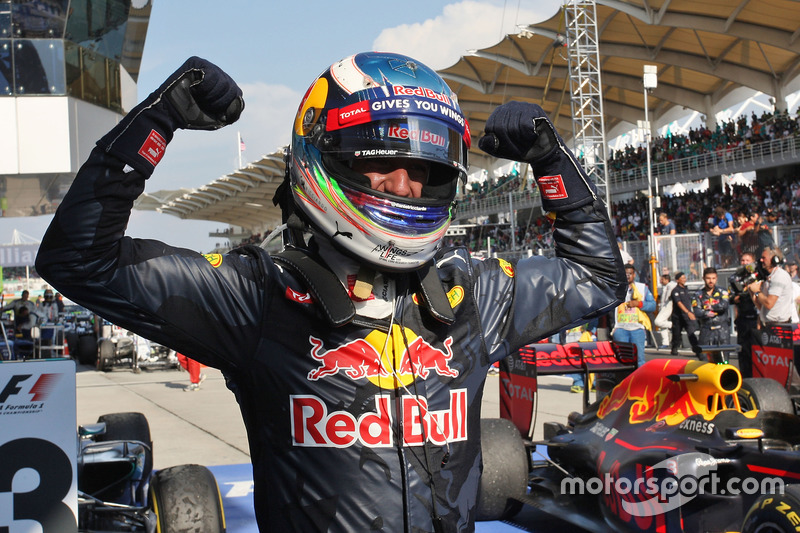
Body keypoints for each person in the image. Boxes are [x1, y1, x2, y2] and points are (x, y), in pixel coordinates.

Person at [35, 54, 625, 532]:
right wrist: (155, 121)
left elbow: (598, 279)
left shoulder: (473, 292)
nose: (405, 184)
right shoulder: (256, 293)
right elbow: (78, 259)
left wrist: (554, 164)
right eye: (382, 160)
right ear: (326, 156)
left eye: (425, 169)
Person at [612, 264, 655, 368]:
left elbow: (653, 306)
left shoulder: (642, 288)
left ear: (634, 275)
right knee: (621, 360)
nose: (628, 276)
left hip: (637, 329)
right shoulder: (615, 288)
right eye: (625, 274)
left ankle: (639, 382)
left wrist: (639, 304)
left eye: (630, 274)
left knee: (639, 360)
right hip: (620, 329)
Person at [748, 246, 794, 326]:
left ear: (774, 260)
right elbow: (762, 307)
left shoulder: (779, 276)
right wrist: (753, 292)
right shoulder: (770, 277)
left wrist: (757, 291)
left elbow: (769, 303)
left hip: (779, 325)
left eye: (764, 258)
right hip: (768, 325)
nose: (761, 260)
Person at [731, 252, 759, 378]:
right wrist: (736, 298)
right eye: (742, 260)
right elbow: (729, 297)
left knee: (756, 351)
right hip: (742, 319)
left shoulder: (758, 275)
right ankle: (745, 377)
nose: (745, 262)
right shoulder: (735, 277)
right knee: (743, 351)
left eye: (747, 260)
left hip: (756, 318)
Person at [692, 267, 730, 350]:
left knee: (723, 361)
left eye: (713, 278)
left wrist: (710, 307)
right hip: (706, 330)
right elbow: (697, 312)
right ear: (703, 278)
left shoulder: (722, 291)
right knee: (705, 360)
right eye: (708, 278)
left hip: (722, 330)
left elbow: (724, 306)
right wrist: (706, 313)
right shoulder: (697, 294)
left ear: (716, 278)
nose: (711, 281)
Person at [670, 271, 702, 356]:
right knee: (676, 335)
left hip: (687, 316)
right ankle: (674, 348)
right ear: (677, 280)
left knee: (691, 333)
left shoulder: (686, 289)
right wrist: (687, 312)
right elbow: (679, 303)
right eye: (682, 278)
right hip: (678, 317)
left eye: (685, 278)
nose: (685, 279)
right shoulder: (675, 291)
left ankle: (697, 350)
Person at [654, 269, 676, 347]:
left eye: (662, 280)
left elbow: (671, 291)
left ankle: (673, 325)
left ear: (667, 280)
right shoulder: (664, 287)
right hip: (663, 306)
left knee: (658, 321)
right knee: (662, 325)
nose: (661, 281)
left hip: (668, 306)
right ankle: (665, 343)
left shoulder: (670, 285)